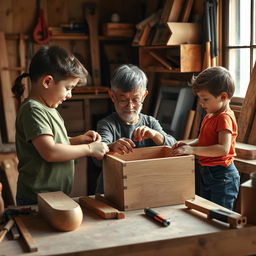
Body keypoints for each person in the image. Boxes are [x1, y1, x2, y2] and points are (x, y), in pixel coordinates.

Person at [12, 46, 109, 206]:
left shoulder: (49, 108)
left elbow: (55, 142)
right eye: (68, 88)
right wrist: (89, 150)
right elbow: (50, 151)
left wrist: (79, 140)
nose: (69, 95)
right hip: (36, 199)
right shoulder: (32, 110)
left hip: (53, 196)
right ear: (47, 81)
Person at [95, 64, 176, 193]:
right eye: (123, 100)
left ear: (144, 96)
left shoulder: (150, 123)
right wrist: (111, 146)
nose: (130, 106)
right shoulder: (107, 124)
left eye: (136, 100)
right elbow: (96, 156)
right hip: (112, 189)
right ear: (112, 96)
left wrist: (155, 135)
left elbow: (175, 148)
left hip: (143, 188)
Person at [171, 66, 240, 210]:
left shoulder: (224, 118)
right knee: (206, 213)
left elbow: (222, 149)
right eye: (200, 99)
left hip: (223, 176)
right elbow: (204, 139)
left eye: (205, 99)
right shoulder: (210, 115)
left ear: (223, 97)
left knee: (220, 218)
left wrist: (192, 149)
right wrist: (189, 144)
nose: (201, 104)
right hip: (208, 172)